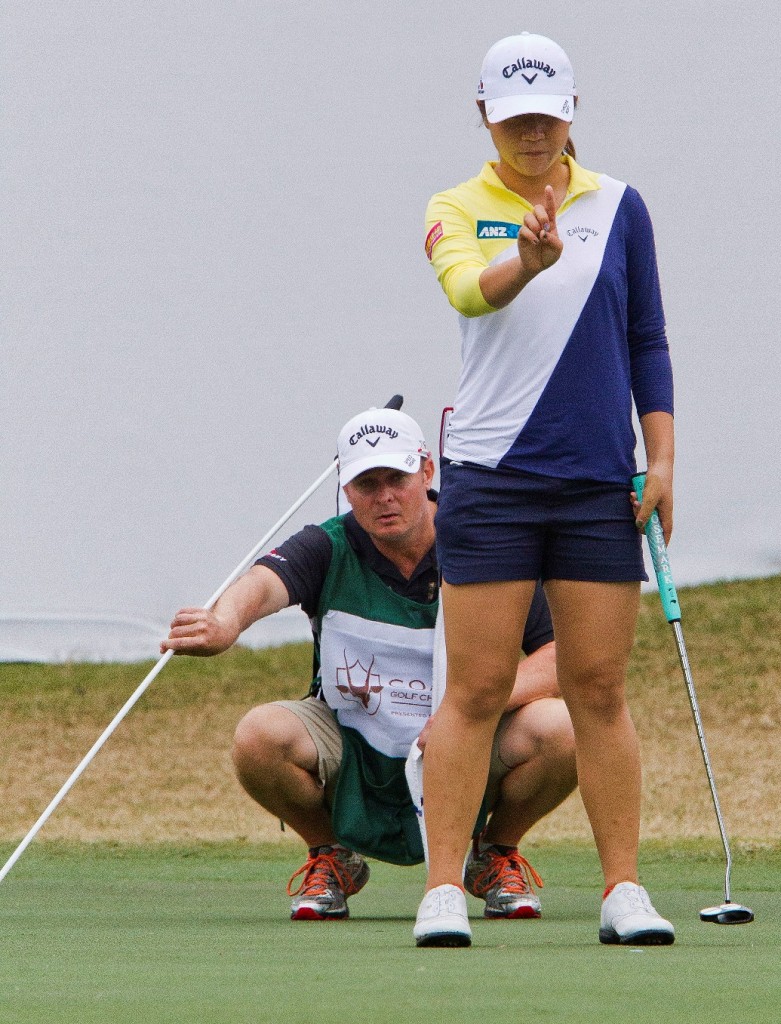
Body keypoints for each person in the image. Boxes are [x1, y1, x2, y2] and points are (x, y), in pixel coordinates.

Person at [416, 32, 676, 948]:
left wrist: (663, 458)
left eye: (548, 117)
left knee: (597, 687)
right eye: (516, 118)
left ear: (572, 112)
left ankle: (622, 891)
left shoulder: (620, 205)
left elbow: (646, 335)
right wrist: (524, 260)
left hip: (599, 481)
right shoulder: (456, 204)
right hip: (491, 478)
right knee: (478, 689)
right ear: (486, 114)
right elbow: (466, 292)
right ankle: (443, 888)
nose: (533, 134)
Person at [161, 406, 577, 923]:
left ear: (426, 471)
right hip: (352, 739)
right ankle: (331, 854)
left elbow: (563, 655)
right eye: (367, 482)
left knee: (563, 729)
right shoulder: (327, 545)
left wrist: (473, 705)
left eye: (397, 478)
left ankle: (495, 853)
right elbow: (262, 584)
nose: (384, 497)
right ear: (346, 487)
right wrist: (225, 624)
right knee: (258, 736)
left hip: (466, 737)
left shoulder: (483, 543)